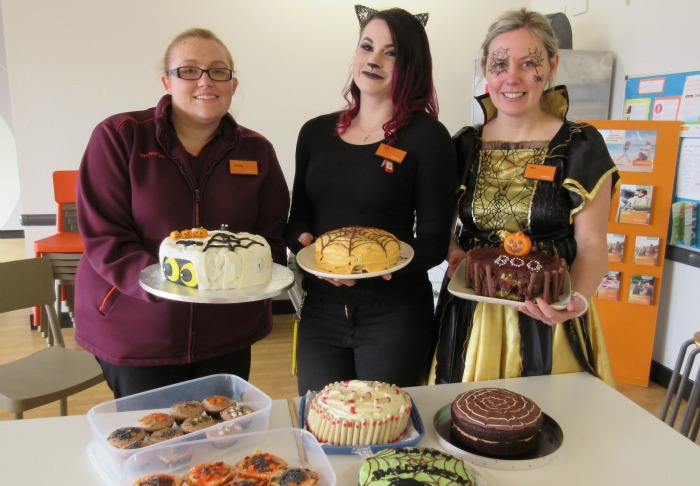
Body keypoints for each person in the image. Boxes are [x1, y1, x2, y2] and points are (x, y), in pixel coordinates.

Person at [74, 28, 290, 398]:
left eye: (218, 71)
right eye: (189, 70)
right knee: (154, 445)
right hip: (138, 329)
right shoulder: (120, 136)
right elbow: (105, 236)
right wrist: (172, 285)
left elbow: (269, 236)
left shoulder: (256, 151)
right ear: (167, 81)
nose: (205, 81)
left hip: (227, 331)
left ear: (233, 84)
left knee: (223, 439)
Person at [431, 8, 619, 387]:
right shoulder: (463, 145)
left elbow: (592, 243)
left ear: (551, 65)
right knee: (467, 422)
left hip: (548, 319)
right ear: (486, 68)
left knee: (548, 427)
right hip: (472, 315)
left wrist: (577, 301)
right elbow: (441, 225)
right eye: (500, 64)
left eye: (528, 63)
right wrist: (452, 249)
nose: (511, 77)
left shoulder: (580, 146)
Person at [285, 7, 457, 394]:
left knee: (386, 430)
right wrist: (306, 249)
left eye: (391, 52)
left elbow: (432, 240)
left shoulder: (428, 138)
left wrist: (374, 268)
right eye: (367, 46)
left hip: (394, 315)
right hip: (320, 311)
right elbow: (298, 221)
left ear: (412, 65)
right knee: (322, 422)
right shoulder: (314, 133)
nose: (374, 60)